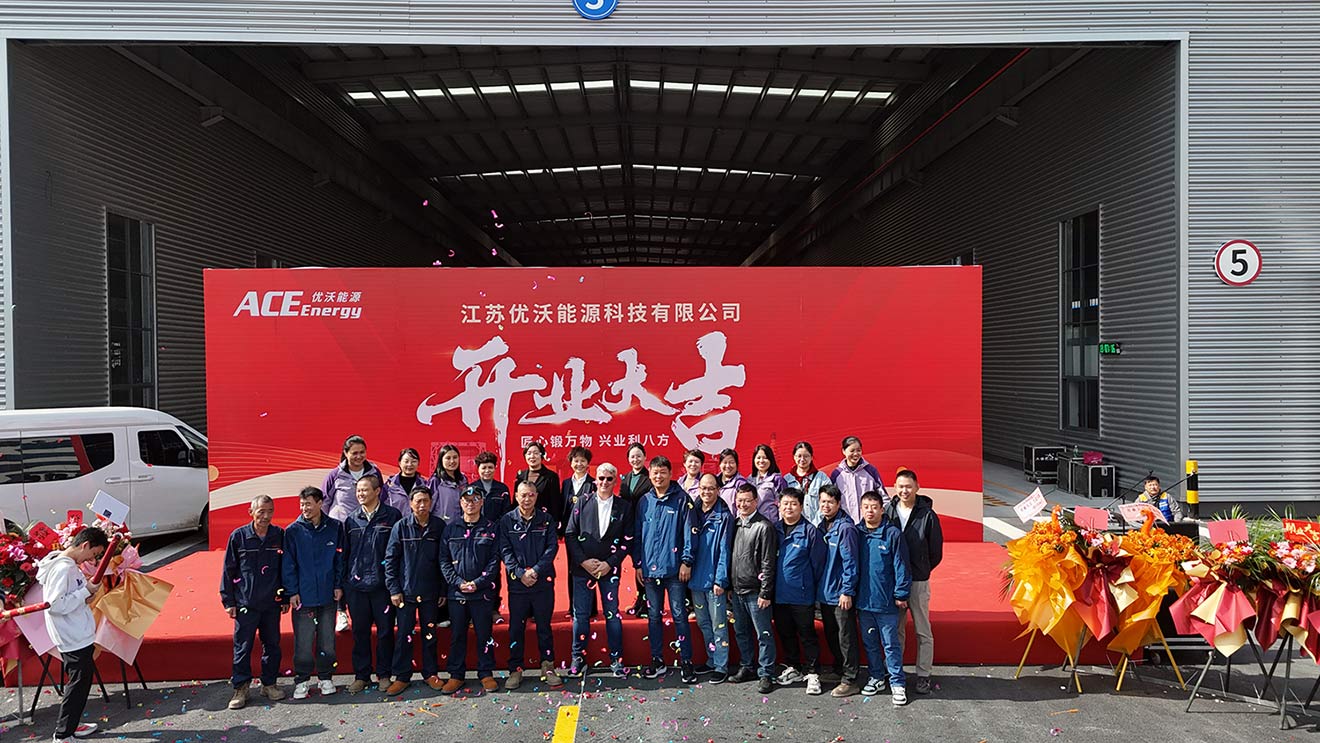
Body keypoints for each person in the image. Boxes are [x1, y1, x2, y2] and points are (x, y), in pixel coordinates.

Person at [633, 455, 698, 683]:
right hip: (650, 572)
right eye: (655, 473)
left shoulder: (682, 500)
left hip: (675, 571)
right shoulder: (644, 501)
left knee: (679, 615)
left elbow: (690, 533)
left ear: (671, 474)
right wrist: (638, 564)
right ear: (649, 475)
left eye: (663, 472)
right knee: (653, 617)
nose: (658, 476)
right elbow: (638, 536)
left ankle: (686, 661)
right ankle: (657, 660)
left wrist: (686, 561)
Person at [40, 526, 109, 741]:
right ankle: (63, 734)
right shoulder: (63, 568)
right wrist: (85, 591)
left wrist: (85, 596)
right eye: (94, 553)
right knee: (78, 685)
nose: (93, 560)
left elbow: (70, 597)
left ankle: (71, 725)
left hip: (76, 632)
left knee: (80, 682)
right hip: (72, 635)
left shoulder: (68, 565)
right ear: (84, 545)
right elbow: (55, 605)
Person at [564, 462, 632, 677]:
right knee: (581, 616)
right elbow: (570, 534)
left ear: (615, 481)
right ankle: (577, 658)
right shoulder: (582, 502)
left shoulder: (624, 507)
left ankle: (616, 659)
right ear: (595, 480)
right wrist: (583, 561)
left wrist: (610, 563)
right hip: (582, 570)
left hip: (609, 570)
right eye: (601, 478)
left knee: (612, 615)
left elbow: (627, 540)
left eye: (609, 479)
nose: (604, 482)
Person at [220, 496, 288, 709]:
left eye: (270, 511)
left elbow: (285, 568)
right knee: (243, 647)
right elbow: (228, 570)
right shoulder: (238, 537)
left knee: (272, 645)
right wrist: (228, 601)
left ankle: (269, 684)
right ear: (251, 512)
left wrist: (285, 596)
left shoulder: (279, 535)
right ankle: (241, 688)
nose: (266, 516)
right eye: (261, 512)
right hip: (245, 604)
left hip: (271, 603)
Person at [884, 468, 943, 695]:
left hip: (918, 580)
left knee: (922, 630)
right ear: (895, 488)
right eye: (900, 486)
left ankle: (924, 674)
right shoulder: (888, 511)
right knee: (896, 629)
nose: (904, 490)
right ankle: (895, 672)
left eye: (909, 486)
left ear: (917, 487)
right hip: (894, 581)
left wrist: (922, 569)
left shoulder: (927, 515)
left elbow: (936, 552)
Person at [341, 475, 403, 694]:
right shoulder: (351, 519)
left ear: (377, 491)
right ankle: (362, 676)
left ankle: (384, 674)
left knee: (385, 632)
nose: (360, 494)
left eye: (365, 490)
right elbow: (345, 555)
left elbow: (397, 552)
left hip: (382, 585)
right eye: (358, 490)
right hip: (356, 586)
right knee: (360, 632)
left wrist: (395, 583)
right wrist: (345, 584)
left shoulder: (392, 516)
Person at [499, 481, 562, 690]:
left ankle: (548, 666)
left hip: (542, 582)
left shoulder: (546, 519)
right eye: (523, 495)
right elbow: (505, 550)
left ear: (536, 496)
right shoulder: (507, 520)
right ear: (516, 497)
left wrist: (535, 571)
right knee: (516, 628)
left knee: (544, 627)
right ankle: (515, 669)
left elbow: (552, 548)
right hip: (517, 584)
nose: (527, 499)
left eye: (531, 495)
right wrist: (520, 573)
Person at [383, 484, 446, 694]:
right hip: (405, 592)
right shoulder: (400, 527)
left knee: (430, 634)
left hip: (431, 592)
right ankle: (402, 676)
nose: (422, 505)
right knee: (404, 635)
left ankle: (431, 673)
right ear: (410, 504)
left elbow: (445, 560)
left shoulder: (439, 526)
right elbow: (390, 560)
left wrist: (443, 590)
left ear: (431, 503)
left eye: (426, 501)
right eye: (418, 501)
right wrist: (394, 589)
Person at [283, 486, 344, 700]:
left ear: (320, 503)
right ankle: (302, 680)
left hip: (328, 595)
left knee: (327, 641)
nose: (305, 508)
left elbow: (339, 559)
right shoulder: (293, 531)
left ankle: (326, 677)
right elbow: (288, 564)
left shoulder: (335, 527)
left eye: (308, 504)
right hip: (303, 597)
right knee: (303, 641)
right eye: (302, 504)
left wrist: (338, 585)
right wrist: (292, 592)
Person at [439, 485, 501, 694]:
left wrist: (478, 582)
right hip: (457, 593)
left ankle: (486, 673)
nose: (470, 504)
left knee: (484, 634)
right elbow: (444, 560)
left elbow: (494, 561)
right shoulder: (451, 529)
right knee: (457, 635)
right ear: (461, 503)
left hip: (482, 593)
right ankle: (456, 675)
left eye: (475, 500)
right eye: (466, 500)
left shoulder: (491, 528)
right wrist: (457, 582)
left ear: (481, 502)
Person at [856, 490, 911, 706]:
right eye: (866, 507)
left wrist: (901, 593)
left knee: (890, 644)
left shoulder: (893, 534)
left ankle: (897, 682)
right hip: (864, 601)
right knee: (870, 643)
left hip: (886, 602)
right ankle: (876, 676)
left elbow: (901, 565)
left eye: (874, 507)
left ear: (881, 509)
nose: (870, 511)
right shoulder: (857, 533)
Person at [323, 435, 382, 632]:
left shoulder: (374, 471)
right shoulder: (335, 475)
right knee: (343, 565)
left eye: (362, 452)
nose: (358, 456)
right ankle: (341, 611)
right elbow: (325, 502)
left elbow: (382, 497)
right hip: (342, 529)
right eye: (354, 453)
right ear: (345, 453)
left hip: (368, 527)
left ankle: (371, 611)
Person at [772, 487, 826, 694]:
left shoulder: (810, 532)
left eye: (794, 504)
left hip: (802, 594)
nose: (789, 508)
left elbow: (818, 565)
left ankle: (813, 673)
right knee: (786, 633)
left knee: (806, 634)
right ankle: (793, 667)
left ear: (801, 507)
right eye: (785, 504)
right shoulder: (774, 530)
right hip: (779, 594)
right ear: (779, 506)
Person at [727, 483, 779, 694]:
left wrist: (766, 592)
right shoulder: (735, 524)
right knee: (741, 632)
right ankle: (747, 666)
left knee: (763, 634)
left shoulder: (764, 527)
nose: (743, 504)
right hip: (737, 589)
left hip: (757, 592)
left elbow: (768, 563)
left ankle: (766, 673)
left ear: (756, 501)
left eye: (747, 500)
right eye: (739, 501)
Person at [816, 484, 861, 697]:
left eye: (830, 502)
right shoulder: (821, 526)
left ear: (838, 503)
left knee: (846, 637)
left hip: (840, 593)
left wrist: (847, 591)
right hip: (825, 592)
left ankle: (850, 679)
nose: (826, 505)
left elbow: (851, 562)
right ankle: (838, 669)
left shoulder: (846, 528)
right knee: (832, 633)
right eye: (823, 501)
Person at [689, 473, 733, 683]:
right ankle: (712, 658)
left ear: (718, 490)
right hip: (696, 579)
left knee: (719, 625)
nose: (706, 492)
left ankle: (721, 665)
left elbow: (725, 550)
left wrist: (721, 580)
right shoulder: (692, 512)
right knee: (704, 623)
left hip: (714, 579)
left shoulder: (724, 516)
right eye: (703, 488)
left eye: (711, 488)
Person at [619, 443, 651, 616]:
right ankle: (639, 600)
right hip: (629, 527)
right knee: (636, 564)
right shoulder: (626, 478)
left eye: (639, 456)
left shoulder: (650, 478)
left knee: (644, 565)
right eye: (632, 456)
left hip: (645, 526)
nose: (635, 459)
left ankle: (647, 603)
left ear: (645, 457)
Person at [830, 436, 883, 521]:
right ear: (843, 451)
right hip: (845, 523)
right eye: (852, 451)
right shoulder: (837, 474)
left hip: (868, 522)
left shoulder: (870, 471)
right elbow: (831, 500)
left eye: (858, 450)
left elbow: (883, 495)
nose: (855, 454)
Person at [515, 441, 562, 530]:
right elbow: (516, 500)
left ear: (542, 455)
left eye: (536, 453)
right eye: (529, 453)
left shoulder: (551, 476)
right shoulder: (520, 476)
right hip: (523, 521)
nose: (532, 456)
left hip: (543, 521)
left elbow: (555, 502)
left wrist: (555, 523)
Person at [784, 441, 832, 526]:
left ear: (811, 457)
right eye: (799, 456)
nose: (802, 459)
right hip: (794, 527)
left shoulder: (822, 478)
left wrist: (815, 524)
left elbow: (828, 501)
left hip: (818, 526)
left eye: (806, 456)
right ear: (794, 457)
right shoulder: (786, 480)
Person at [559, 446, 594, 536]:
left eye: (583, 461)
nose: (579, 464)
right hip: (568, 528)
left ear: (588, 463)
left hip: (587, 529)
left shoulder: (593, 483)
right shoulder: (566, 483)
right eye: (576, 461)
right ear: (571, 463)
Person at [431, 444, 468, 525]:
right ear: (441, 460)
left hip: (460, 525)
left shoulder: (463, 480)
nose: (452, 461)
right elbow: (429, 506)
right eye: (448, 458)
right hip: (441, 526)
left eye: (455, 457)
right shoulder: (436, 480)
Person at [472, 450, 513, 524]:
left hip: (498, 528)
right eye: (484, 468)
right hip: (476, 528)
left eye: (490, 467)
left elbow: (507, 512)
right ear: (478, 469)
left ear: (495, 468)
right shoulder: (472, 488)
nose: (487, 471)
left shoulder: (502, 489)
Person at [382, 448, 427, 514]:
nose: (410, 464)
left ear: (418, 463)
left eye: (414, 461)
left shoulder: (424, 485)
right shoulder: (389, 485)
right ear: (400, 463)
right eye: (406, 461)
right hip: (395, 520)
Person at [750, 444, 784, 522]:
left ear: (771, 460)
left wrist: (780, 524)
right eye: (758, 458)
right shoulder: (749, 480)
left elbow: (782, 504)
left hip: (771, 523)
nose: (761, 461)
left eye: (765, 458)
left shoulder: (777, 479)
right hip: (753, 524)